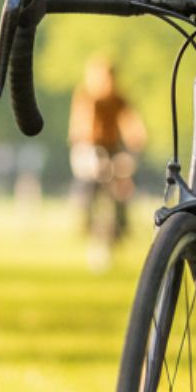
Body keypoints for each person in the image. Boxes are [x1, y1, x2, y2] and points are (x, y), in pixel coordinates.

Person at [68, 55, 147, 261]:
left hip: (112, 148)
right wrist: (96, 156)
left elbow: (132, 123)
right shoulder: (87, 95)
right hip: (88, 147)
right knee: (89, 187)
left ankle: (119, 229)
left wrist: (136, 143)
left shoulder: (118, 98)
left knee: (121, 188)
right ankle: (86, 224)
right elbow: (83, 125)